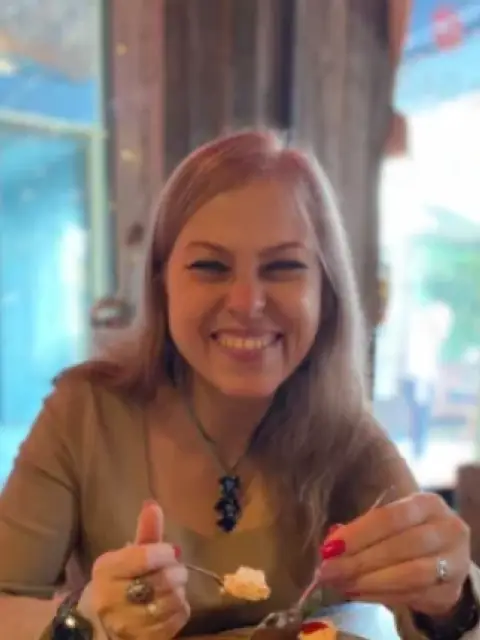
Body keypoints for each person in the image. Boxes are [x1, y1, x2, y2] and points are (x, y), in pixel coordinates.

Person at [0, 129, 477, 640]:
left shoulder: (345, 437)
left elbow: (444, 614)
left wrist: (451, 597)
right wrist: (86, 621)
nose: (247, 303)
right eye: (210, 266)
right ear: (162, 284)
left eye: (283, 267)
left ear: (326, 291)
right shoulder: (85, 413)